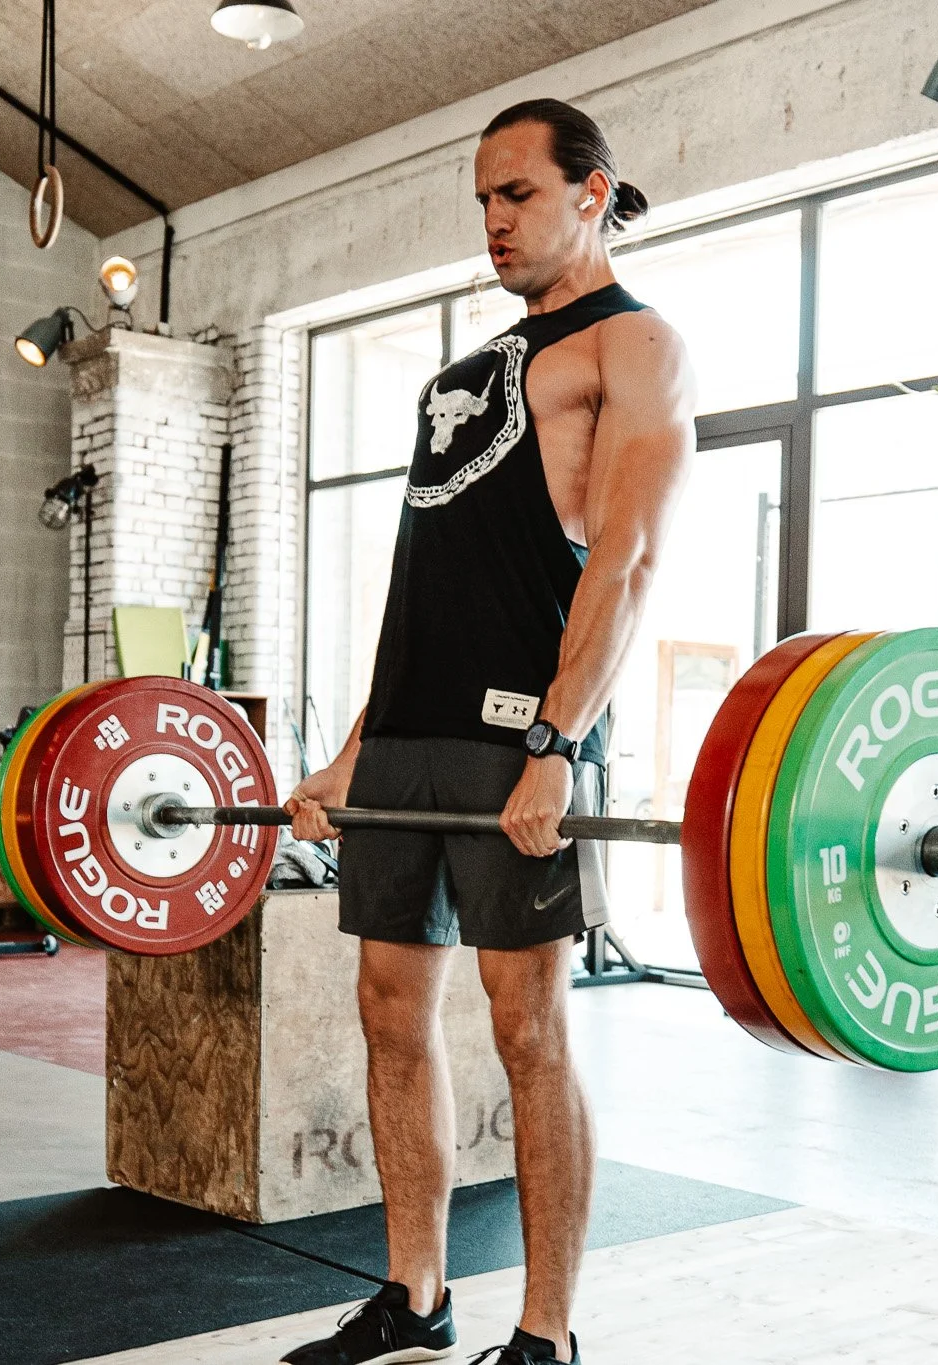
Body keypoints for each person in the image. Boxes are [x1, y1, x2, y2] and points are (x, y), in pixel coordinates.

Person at [280, 99, 695, 1365]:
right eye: (482, 200)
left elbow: (624, 560)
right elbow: (424, 587)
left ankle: (546, 1331)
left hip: (520, 738)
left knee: (527, 1031)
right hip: (409, 737)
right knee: (388, 1014)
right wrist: (353, 751)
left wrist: (557, 746)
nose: (493, 220)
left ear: (591, 193)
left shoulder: (633, 344)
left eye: (516, 193)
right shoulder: (467, 373)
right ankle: (416, 1295)